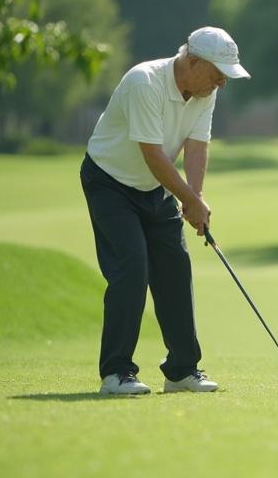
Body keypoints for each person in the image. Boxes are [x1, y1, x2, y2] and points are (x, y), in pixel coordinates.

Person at [80, 27, 250, 395]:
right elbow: (153, 153)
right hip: (109, 182)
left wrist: (197, 198)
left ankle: (181, 371)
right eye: (217, 73)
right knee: (132, 265)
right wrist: (188, 199)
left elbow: (197, 145)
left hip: (155, 187)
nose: (221, 83)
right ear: (191, 61)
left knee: (175, 266)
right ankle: (116, 372)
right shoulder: (145, 82)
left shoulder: (204, 91)